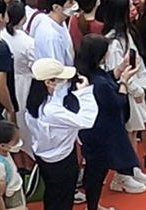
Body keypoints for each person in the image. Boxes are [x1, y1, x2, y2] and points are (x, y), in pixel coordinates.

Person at [22, 59, 96, 210]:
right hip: (61, 160)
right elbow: (87, 121)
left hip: (44, 156)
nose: (64, 81)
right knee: (63, 200)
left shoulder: (34, 103)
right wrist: (84, 93)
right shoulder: (51, 110)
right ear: (48, 82)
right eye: (60, 79)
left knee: (52, 195)